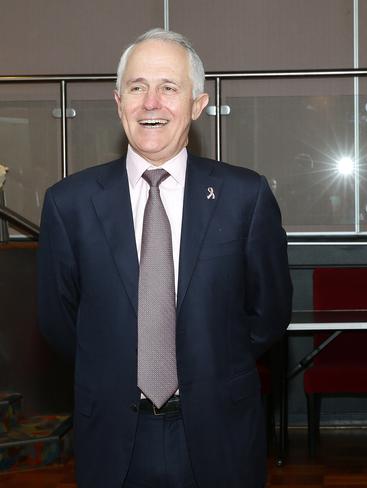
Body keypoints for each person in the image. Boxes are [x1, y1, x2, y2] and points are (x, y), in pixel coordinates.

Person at [38, 28, 292, 488]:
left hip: (220, 433)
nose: (151, 102)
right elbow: (61, 323)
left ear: (198, 104)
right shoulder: (68, 204)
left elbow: (268, 314)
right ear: (119, 102)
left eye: (169, 88)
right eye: (137, 88)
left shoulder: (245, 196)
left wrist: (208, 364)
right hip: (113, 437)